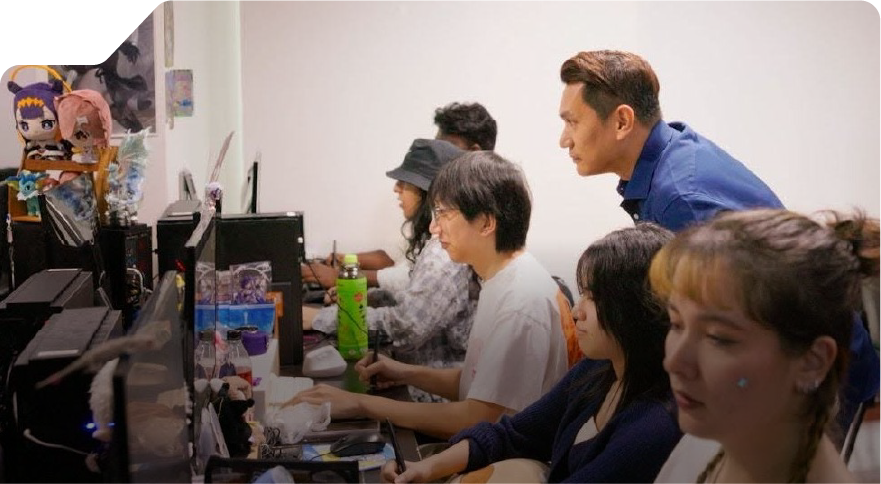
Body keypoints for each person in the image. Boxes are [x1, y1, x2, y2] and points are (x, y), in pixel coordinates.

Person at [557, 49, 879, 430]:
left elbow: (745, 329)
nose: (564, 139)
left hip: (820, 392)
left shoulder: (681, 199)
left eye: (572, 122)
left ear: (623, 121)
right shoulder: (673, 155)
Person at [289, 152, 569, 439]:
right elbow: (476, 382)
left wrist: (362, 404)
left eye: (444, 214)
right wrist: (402, 372)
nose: (434, 229)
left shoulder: (520, 302)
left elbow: (478, 419)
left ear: (486, 223)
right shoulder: (501, 280)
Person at [382, 224, 682, 484]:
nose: (577, 311)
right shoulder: (597, 371)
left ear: (636, 311)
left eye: (592, 297)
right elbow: (515, 434)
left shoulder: (653, 428)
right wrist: (425, 467)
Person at [650, 209, 880, 484]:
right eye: (677, 324)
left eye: (718, 338)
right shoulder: (706, 443)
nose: (674, 362)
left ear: (813, 361)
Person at [306, 139, 477, 403]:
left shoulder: (442, 256)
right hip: (415, 379)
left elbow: (406, 327)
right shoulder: (432, 244)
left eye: (405, 183)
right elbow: (414, 298)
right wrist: (366, 300)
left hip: (432, 396)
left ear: (427, 193)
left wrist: (320, 319)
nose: (396, 189)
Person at [303, 101, 498, 292]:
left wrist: (345, 276)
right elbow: (402, 255)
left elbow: (420, 278)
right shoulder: (444, 208)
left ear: (474, 153)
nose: (434, 156)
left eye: (443, 148)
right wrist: (349, 261)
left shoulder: (475, 217)